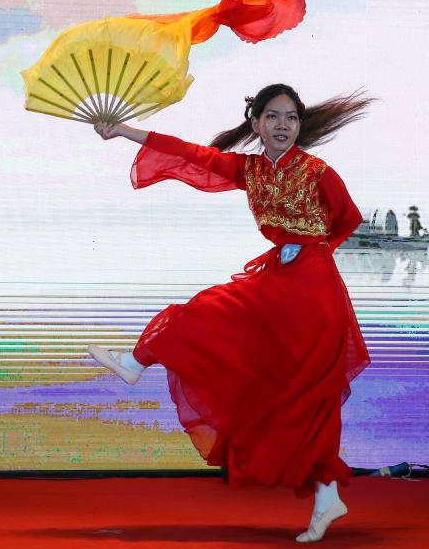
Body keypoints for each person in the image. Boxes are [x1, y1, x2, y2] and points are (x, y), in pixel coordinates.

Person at [87, 83, 372, 543]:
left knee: (309, 393)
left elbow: (348, 218)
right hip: (280, 280)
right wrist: (123, 131)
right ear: (255, 123)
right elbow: (190, 153)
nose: (283, 125)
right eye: (273, 117)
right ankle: (136, 362)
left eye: (291, 118)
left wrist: (313, 250)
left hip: (314, 290)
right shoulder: (249, 170)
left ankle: (326, 494)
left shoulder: (318, 172)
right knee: (212, 321)